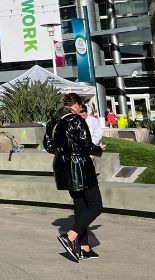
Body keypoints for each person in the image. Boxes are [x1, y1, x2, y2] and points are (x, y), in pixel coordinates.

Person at [44, 93, 106, 261]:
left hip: (62, 167)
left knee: (80, 206)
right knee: (95, 205)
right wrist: (99, 149)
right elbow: (86, 145)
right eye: (81, 106)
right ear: (77, 105)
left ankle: (84, 247)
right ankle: (70, 236)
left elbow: (48, 146)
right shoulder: (75, 120)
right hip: (79, 167)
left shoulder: (53, 121)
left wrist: (64, 150)